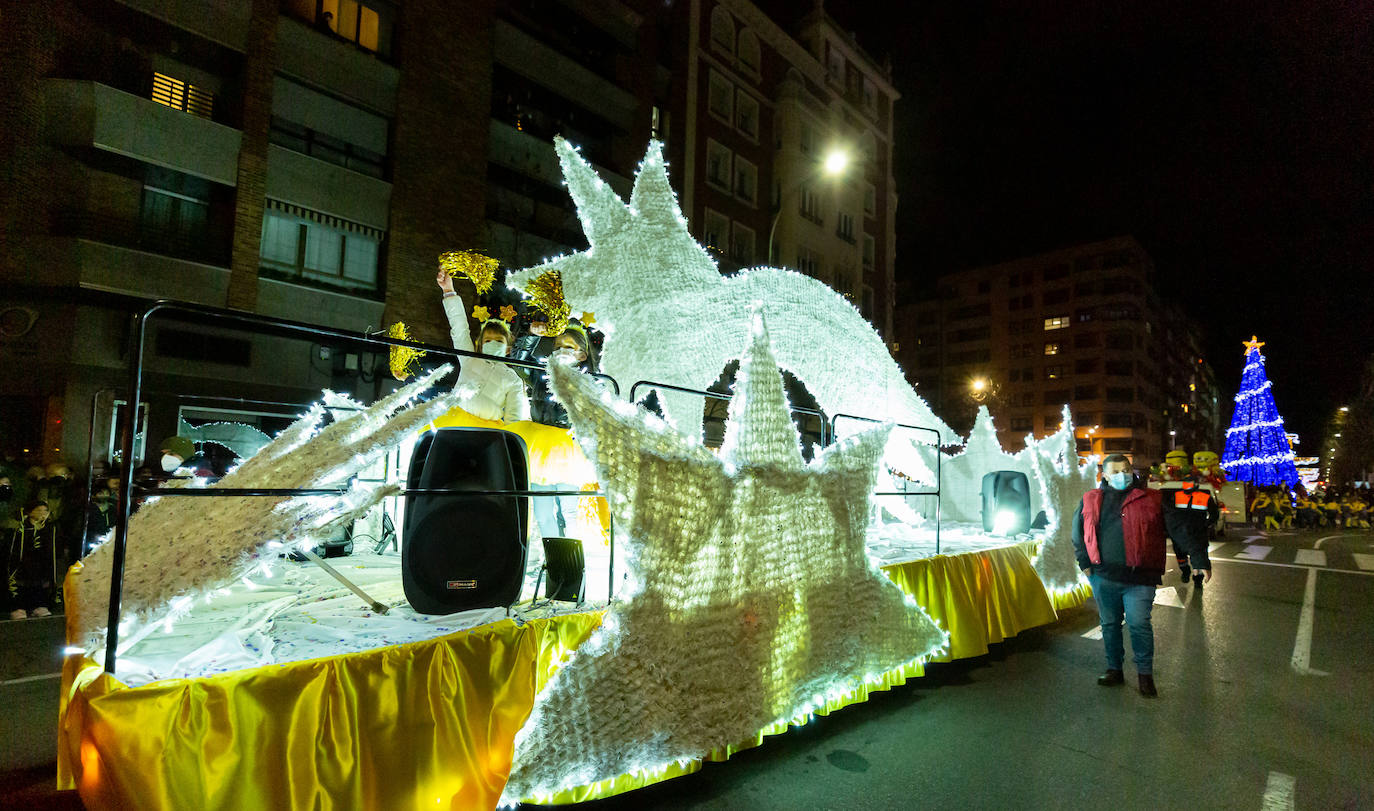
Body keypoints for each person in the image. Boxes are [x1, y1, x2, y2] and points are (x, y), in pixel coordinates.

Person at [1072, 454, 1166, 697]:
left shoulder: (1151, 497)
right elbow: (1078, 533)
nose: (1122, 475)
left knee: (1138, 624)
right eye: (1115, 472)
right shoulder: (1091, 499)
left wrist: (1195, 559)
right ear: (1104, 475)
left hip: (1140, 578)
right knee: (1110, 625)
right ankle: (1114, 669)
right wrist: (1084, 563)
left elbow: (1175, 527)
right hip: (1104, 577)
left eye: (1125, 470)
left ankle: (1145, 675)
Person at [436, 268, 530, 423]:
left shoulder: (513, 380)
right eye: (487, 341)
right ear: (479, 345)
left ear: (508, 348)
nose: (493, 343)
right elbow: (460, 329)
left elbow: (515, 417)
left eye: (499, 341)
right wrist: (449, 291)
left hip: (485, 432)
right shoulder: (469, 359)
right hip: (452, 421)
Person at [6, 500, 64, 620]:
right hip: (24, 562)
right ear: (30, 512)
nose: (42, 513)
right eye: (39, 510)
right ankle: (19, 607)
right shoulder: (21, 528)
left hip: (41, 563)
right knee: (21, 584)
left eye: (45, 511)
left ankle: (39, 605)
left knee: (40, 584)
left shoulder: (50, 529)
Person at [1162, 470, 1218, 589]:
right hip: (1187, 531)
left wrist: (1205, 524)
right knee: (1188, 553)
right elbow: (1214, 515)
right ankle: (1190, 573)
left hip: (1190, 531)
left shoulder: (1202, 497)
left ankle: (1193, 576)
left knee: (1191, 553)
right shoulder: (1179, 496)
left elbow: (1214, 515)